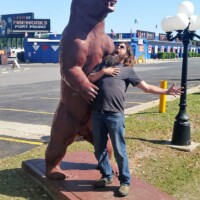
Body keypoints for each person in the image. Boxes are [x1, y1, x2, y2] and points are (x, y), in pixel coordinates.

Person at [88, 42, 182, 197]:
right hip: (97, 114)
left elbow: (147, 88)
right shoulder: (102, 65)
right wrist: (104, 71)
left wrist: (166, 91)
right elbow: (90, 79)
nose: (118, 48)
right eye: (117, 46)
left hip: (115, 115)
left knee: (119, 150)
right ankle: (107, 176)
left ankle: (125, 182)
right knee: (99, 148)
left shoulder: (128, 71)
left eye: (122, 47)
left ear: (127, 55)